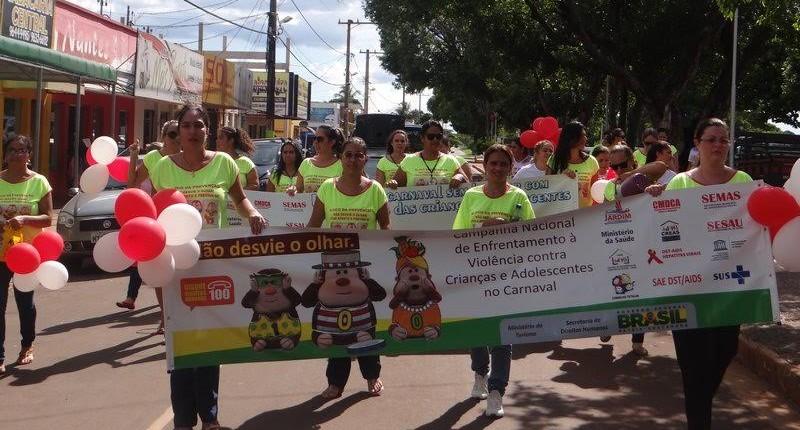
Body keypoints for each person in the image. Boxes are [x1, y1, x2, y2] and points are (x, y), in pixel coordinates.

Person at [150, 105, 267, 430]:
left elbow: (240, 199)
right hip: (175, 267)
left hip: (213, 265)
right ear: (179, 131)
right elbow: (153, 213)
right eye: (186, 126)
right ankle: (183, 419)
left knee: (209, 342)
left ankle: (210, 417)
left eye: (198, 125)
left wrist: (253, 213)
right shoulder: (162, 168)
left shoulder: (224, 163)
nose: (192, 131)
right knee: (180, 342)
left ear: (208, 130)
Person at [648, 118, 751, 429]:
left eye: (723, 139)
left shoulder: (743, 181)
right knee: (693, 370)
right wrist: (653, 198)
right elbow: (658, 226)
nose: (718, 145)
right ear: (697, 143)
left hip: (729, 291)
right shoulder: (680, 183)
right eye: (711, 139)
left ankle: (700, 404)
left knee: (726, 351)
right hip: (688, 291)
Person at [453, 144, 535, 418]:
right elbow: (458, 234)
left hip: (508, 278)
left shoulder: (519, 197)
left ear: (511, 168)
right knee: (477, 330)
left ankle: (497, 390)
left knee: (502, 334)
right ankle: (480, 374)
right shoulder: (471, 196)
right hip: (475, 276)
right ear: (485, 167)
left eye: (503, 164)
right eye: (493, 163)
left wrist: (507, 227)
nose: (498, 168)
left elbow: (532, 234)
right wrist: (483, 227)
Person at [306, 137, 390, 399]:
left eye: (358, 155)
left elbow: (386, 229)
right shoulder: (326, 189)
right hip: (333, 270)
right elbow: (313, 226)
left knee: (364, 327)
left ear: (366, 158)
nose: (353, 160)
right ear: (341, 158)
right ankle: (336, 383)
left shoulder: (376, 190)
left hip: (362, 272)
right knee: (335, 329)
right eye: (348, 155)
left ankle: (372, 375)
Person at [117, 122, 181, 333]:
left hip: (185, 217)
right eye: (172, 134)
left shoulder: (187, 156)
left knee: (183, 270)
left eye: (179, 134)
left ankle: (183, 317)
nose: (177, 138)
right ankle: (165, 317)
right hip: (161, 216)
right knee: (162, 269)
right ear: (163, 137)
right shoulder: (154, 158)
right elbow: (132, 184)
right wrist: (134, 155)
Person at [0, 135, 53, 374]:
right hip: (1, 252)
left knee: (25, 304)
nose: (16, 154)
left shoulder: (39, 182)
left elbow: (47, 218)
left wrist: (24, 219)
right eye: (12, 150)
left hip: (27, 254)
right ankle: (0, 356)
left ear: (29, 155)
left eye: (22, 150)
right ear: (5, 154)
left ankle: (27, 345)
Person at [389, 120, 467, 189]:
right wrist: (392, 184)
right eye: (431, 136)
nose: (435, 139)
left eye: (438, 136)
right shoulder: (408, 161)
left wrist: (460, 177)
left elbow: (468, 185)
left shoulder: (451, 161)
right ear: (422, 138)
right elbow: (394, 189)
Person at [549, 122, 599, 208]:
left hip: (585, 213)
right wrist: (561, 178)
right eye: (582, 135)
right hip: (561, 212)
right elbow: (547, 189)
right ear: (571, 138)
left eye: (585, 135)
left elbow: (596, 193)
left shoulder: (592, 161)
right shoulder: (554, 160)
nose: (585, 138)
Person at [294, 125, 343, 194]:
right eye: (314, 138)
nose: (316, 142)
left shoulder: (342, 166)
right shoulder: (306, 163)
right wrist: (292, 190)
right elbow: (298, 191)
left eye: (320, 139)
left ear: (332, 142)